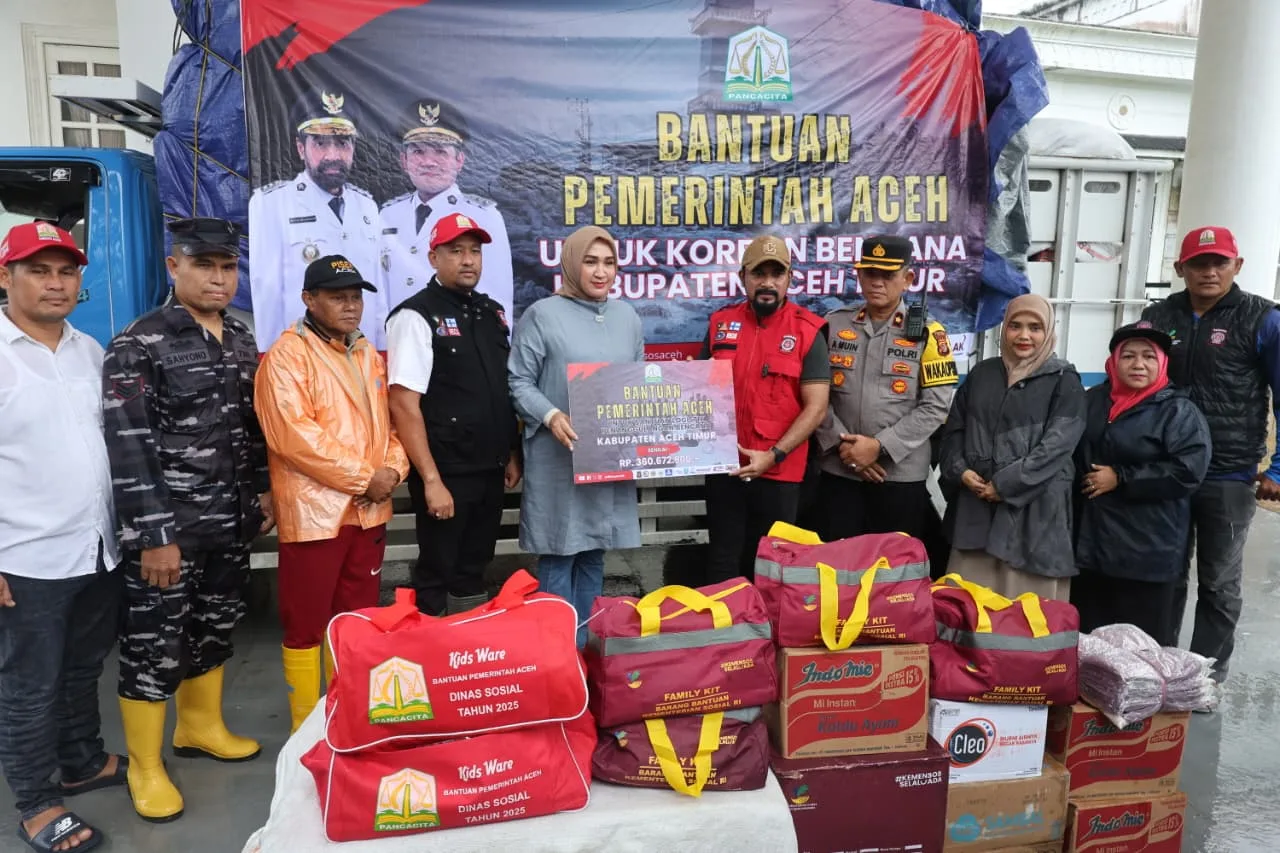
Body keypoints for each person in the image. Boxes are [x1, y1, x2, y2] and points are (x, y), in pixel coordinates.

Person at [102, 217, 273, 823]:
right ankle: (145, 766)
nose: (218, 278)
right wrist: (154, 537)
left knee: (215, 628)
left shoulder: (241, 338)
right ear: (174, 267)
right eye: (204, 265)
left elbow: (252, 426)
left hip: (229, 521)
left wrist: (262, 492)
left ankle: (199, 727)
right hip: (171, 531)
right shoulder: (140, 342)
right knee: (154, 645)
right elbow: (129, 445)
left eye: (227, 266)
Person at [0, 224, 123, 852]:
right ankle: (36, 801)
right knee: (30, 686)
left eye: (66, 271)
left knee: (82, 667)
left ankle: (81, 761)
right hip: (27, 558)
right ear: (6, 277)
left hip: (96, 546)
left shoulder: (89, 350)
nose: (56, 284)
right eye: (38, 270)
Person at [255, 255, 410, 732]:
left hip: (369, 512)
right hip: (315, 516)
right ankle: (306, 730)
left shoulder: (365, 352)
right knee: (306, 624)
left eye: (356, 297)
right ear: (309, 299)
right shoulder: (287, 355)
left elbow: (390, 427)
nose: (351, 306)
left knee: (357, 621)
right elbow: (294, 438)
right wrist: (367, 479)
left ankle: (348, 720)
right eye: (337, 297)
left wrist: (394, 470)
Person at [508, 226, 642, 647]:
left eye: (609, 263)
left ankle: (585, 651)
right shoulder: (543, 314)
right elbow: (518, 380)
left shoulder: (627, 317)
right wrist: (549, 415)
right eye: (590, 261)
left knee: (593, 552)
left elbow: (638, 382)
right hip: (558, 456)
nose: (601, 272)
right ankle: (556, 655)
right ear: (570, 264)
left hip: (606, 456)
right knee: (559, 552)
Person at [387, 213, 521, 617]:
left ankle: (466, 647)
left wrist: (510, 452)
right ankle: (429, 647)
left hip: (489, 469)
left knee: (474, 568)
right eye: (456, 251)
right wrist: (431, 481)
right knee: (437, 571)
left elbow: (499, 390)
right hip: (446, 473)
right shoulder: (415, 315)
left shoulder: (491, 312)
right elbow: (403, 404)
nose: (468, 260)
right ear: (433, 257)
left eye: (475, 252)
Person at [937, 293, 1085, 601]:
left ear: (1049, 332)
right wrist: (961, 471)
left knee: (1025, 612)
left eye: (1035, 327)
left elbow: (1057, 447)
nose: (1024, 335)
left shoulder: (1063, 379)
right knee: (968, 607)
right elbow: (953, 431)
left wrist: (1005, 485)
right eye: (1015, 326)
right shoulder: (982, 374)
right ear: (1004, 329)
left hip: (1035, 516)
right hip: (976, 510)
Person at [701, 234, 829, 583]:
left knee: (771, 572)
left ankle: (764, 623)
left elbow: (817, 408)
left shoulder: (808, 330)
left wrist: (773, 455)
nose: (768, 283)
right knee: (722, 564)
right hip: (724, 469)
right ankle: (728, 622)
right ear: (743, 277)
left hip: (779, 474)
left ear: (790, 278)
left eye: (777, 273)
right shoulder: (719, 324)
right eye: (759, 273)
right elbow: (697, 391)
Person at [1072, 324, 1211, 644]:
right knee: (1091, 644)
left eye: (1149, 356)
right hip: (1091, 551)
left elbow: (1187, 471)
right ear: (1113, 361)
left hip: (1147, 555)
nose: (1138, 364)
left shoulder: (1178, 411)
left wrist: (1121, 477)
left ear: (1162, 363)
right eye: (1129, 356)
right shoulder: (1091, 402)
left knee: (1142, 648)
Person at [813, 235, 957, 542]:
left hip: (899, 477)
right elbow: (816, 396)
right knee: (836, 562)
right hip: (839, 472)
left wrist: (878, 448)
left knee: (893, 566)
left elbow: (936, 407)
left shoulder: (930, 334)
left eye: (888, 275)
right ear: (859, 275)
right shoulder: (833, 326)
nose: (877, 282)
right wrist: (847, 451)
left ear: (908, 279)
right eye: (870, 273)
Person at [249, 88, 383, 352]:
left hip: (361, 353)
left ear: (353, 148)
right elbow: (267, 292)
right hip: (303, 355)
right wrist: (273, 356)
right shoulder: (271, 204)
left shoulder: (367, 206)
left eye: (342, 143)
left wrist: (380, 351)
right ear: (301, 148)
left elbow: (378, 295)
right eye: (320, 143)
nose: (332, 155)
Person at [378, 97, 513, 323]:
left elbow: (497, 298)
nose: (429, 162)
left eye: (440, 152)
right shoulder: (388, 215)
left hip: (455, 339)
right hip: (396, 337)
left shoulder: (484, 217)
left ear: (459, 160)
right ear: (404, 160)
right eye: (418, 151)